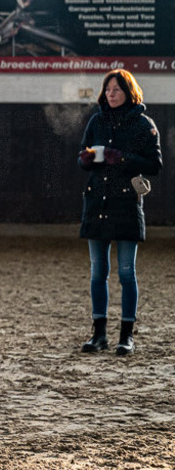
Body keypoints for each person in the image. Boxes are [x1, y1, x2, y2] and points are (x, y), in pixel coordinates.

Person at [77, 69, 162, 355]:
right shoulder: (96, 121)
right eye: (108, 89)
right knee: (97, 272)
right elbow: (82, 155)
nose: (111, 94)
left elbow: (155, 165)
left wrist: (122, 158)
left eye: (116, 89)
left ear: (129, 91)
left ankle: (126, 336)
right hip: (97, 202)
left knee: (127, 272)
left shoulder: (143, 124)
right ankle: (98, 334)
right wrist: (86, 159)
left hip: (125, 203)